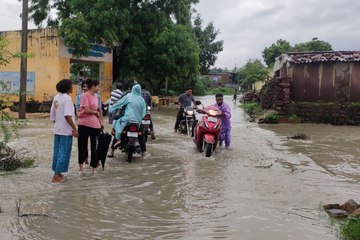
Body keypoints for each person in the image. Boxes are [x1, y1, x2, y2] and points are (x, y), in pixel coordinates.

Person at [50, 79, 78, 183]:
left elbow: (52, 115)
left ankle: (57, 173)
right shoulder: (67, 99)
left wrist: (58, 124)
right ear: (68, 88)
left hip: (58, 129)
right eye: (71, 85)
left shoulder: (56, 97)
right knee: (64, 152)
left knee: (57, 151)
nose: (72, 87)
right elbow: (67, 115)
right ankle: (57, 175)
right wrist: (74, 128)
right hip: (66, 130)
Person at [77, 78, 103, 175]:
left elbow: (99, 110)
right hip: (83, 124)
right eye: (98, 86)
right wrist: (95, 112)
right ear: (93, 86)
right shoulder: (84, 96)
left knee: (95, 147)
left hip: (95, 125)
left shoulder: (97, 97)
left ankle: (94, 168)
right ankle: (81, 169)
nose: (99, 88)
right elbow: (87, 110)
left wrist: (101, 122)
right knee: (82, 146)